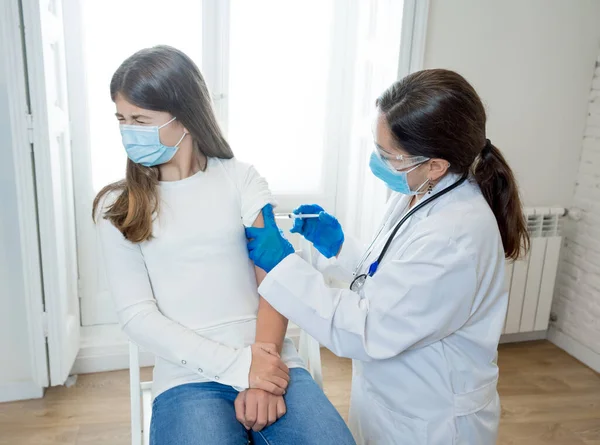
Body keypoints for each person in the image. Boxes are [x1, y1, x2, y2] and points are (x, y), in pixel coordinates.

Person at [245, 69, 530, 445]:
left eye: (388, 154)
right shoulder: (423, 188)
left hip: (432, 418)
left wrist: (282, 268)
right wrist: (340, 246)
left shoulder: (455, 237)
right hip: (391, 397)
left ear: (435, 164)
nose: (378, 161)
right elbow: (392, 278)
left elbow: (366, 329)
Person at [93, 45, 355, 445]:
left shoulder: (241, 179)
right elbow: (137, 317)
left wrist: (261, 373)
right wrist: (238, 367)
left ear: (185, 118)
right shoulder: (119, 207)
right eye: (122, 120)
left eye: (141, 120)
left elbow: (274, 277)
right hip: (187, 375)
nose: (129, 131)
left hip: (271, 359)